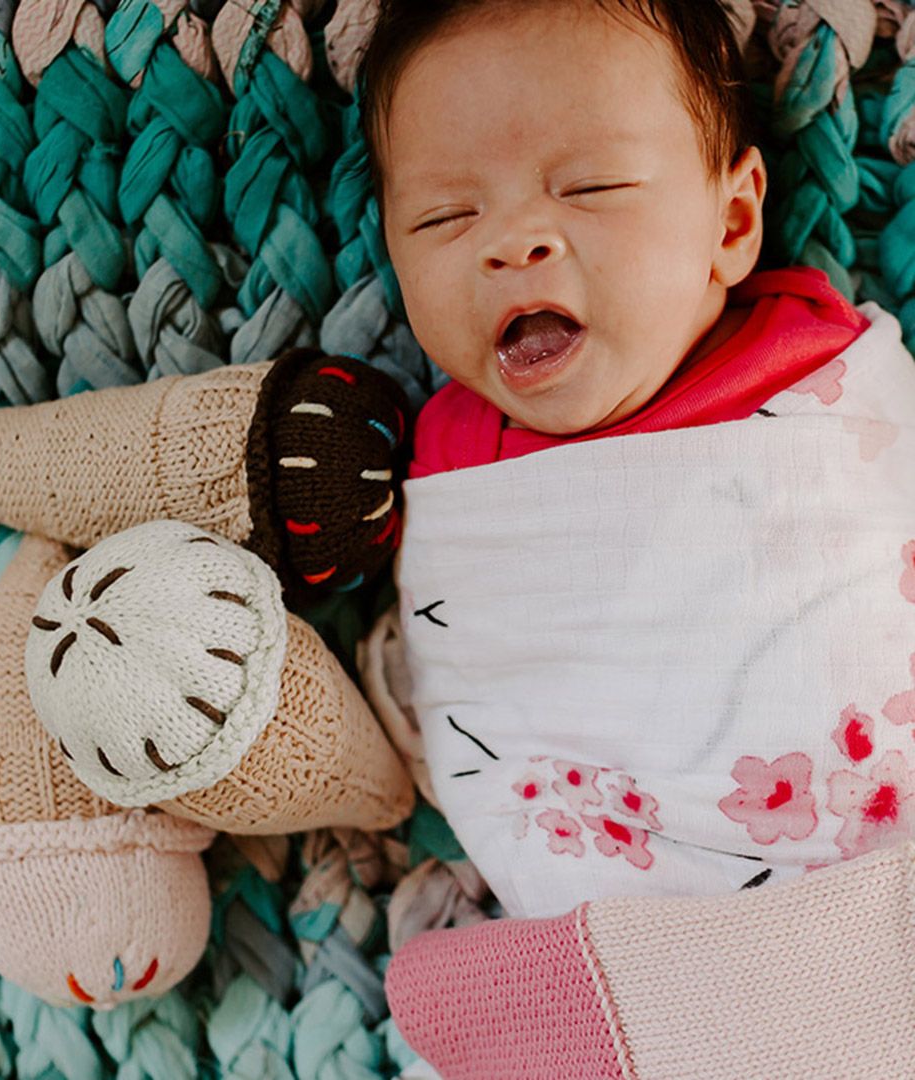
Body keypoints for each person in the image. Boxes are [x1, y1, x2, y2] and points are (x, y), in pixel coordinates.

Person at [357, 1, 915, 1076]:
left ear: (734, 220)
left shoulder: (826, 384)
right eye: (443, 218)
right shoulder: (445, 472)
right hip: (626, 912)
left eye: (591, 188)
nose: (517, 241)